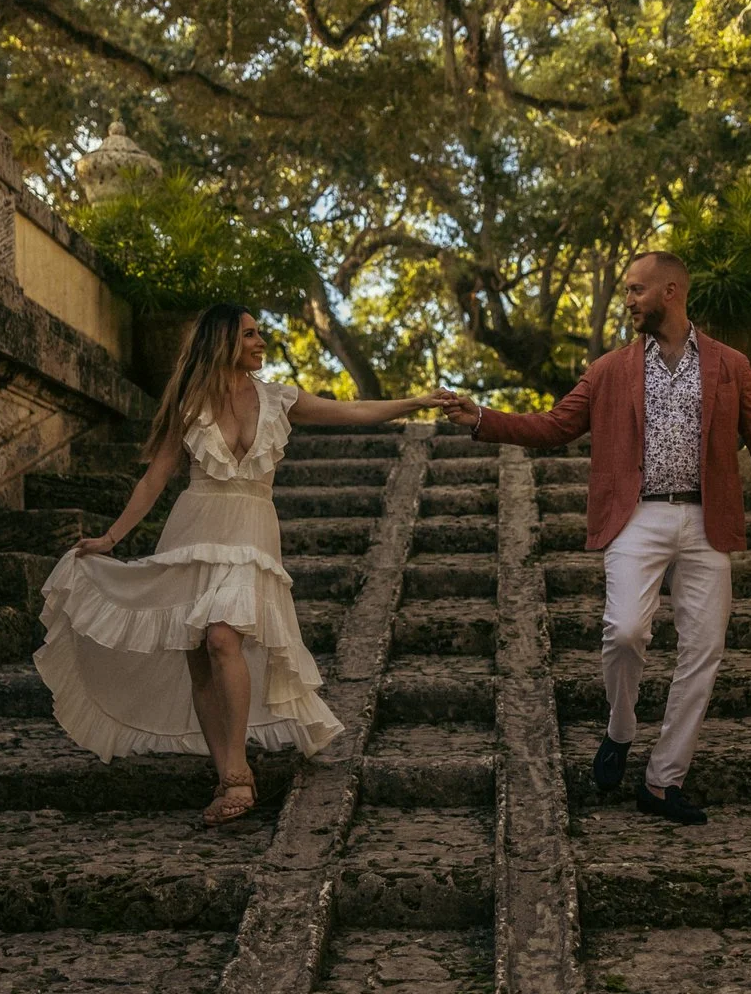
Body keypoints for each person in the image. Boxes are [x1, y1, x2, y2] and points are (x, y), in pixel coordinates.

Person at [37, 304, 462, 825]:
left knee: (222, 637)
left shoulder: (279, 398)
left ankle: (238, 774)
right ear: (222, 341)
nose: (262, 341)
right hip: (194, 533)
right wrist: (111, 536)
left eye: (261, 332)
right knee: (199, 656)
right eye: (251, 333)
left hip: (252, 535)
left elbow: (350, 411)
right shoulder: (189, 402)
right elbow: (154, 479)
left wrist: (416, 401)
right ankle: (225, 775)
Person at [441, 251, 751, 824]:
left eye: (637, 291)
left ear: (671, 291)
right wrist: (481, 418)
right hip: (636, 518)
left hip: (706, 521)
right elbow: (555, 426)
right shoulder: (609, 369)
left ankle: (663, 781)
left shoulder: (730, 365)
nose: (628, 301)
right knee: (624, 632)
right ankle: (621, 726)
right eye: (625, 293)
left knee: (704, 651)